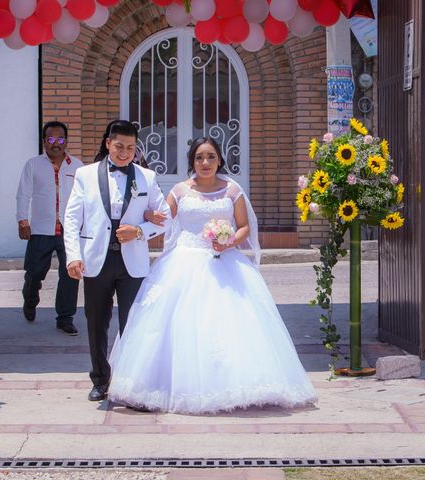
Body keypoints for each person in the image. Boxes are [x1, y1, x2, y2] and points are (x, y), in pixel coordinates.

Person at [107, 137, 317, 414]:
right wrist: (142, 222)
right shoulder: (180, 191)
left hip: (225, 261)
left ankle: (241, 384)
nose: (205, 163)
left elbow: (242, 226)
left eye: (210, 157)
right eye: (199, 158)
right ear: (192, 162)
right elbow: (163, 220)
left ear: (219, 160)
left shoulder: (232, 190)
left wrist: (230, 240)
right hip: (183, 262)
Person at [64, 120, 171, 402]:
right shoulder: (84, 175)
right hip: (95, 260)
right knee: (96, 322)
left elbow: (163, 217)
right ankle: (100, 379)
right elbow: (72, 218)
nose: (125, 153)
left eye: (131, 148)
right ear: (108, 143)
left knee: (133, 324)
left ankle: (132, 383)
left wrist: (139, 231)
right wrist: (73, 256)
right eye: (119, 146)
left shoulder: (146, 177)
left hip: (132, 262)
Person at [16, 121, 82, 335]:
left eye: (60, 139)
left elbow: (86, 199)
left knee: (70, 274)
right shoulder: (33, 164)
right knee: (34, 272)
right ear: (44, 141)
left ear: (66, 141)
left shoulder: (78, 167)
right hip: (41, 229)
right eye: (51, 139)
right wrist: (22, 221)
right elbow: (23, 194)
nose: (56, 144)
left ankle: (65, 317)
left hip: (69, 230)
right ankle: (30, 298)